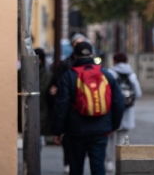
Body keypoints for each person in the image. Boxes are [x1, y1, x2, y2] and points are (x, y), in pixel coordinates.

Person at [52, 40, 126, 175]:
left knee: (76, 168)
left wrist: (58, 131)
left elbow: (61, 105)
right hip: (100, 129)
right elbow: (118, 102)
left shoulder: (69, 76)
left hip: (75, 130)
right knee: (98, 168)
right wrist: (113, 126)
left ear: (75, 56)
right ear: (92, 55)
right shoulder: (105, 74)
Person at [107, 53, 142, 171]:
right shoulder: (131, 75)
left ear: (114, 61)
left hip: (112, 111)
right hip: (127, 112)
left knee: (109, 139)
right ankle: (121, 163)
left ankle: (109, 162)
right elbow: (138, 93)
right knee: (122, 139)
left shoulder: (110, 74)